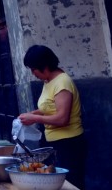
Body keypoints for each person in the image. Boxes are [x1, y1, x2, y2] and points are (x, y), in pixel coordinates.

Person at [18, 44, 86, 189]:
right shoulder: (48, 81)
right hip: (55, 142)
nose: (33, 73)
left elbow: (62, 118)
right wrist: (31, 114)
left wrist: (35, 119)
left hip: (69, 143)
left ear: (44, 66)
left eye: (33, 69)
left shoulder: (62, 82)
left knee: (71, 184)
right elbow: (48, 108)